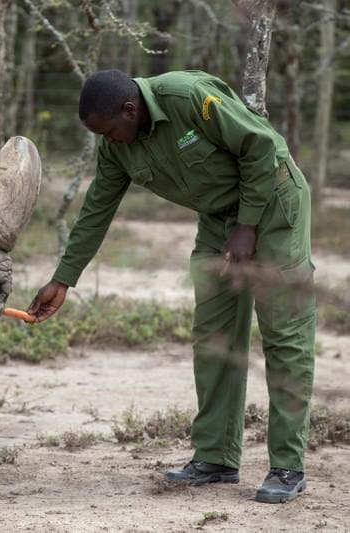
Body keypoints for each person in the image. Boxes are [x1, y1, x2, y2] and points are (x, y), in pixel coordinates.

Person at [28, 69, 315, 504]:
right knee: (215, 336)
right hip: (219, 219)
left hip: (273, 205)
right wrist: (63, 279)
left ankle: (288, 466)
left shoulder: (187, 97)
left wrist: (248, 226)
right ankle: (216, 457)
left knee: (284, 334)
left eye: (110, 131)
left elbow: (262, 146)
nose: (111, 141)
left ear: (130, 109)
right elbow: (96, 210)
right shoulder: (116, 147)